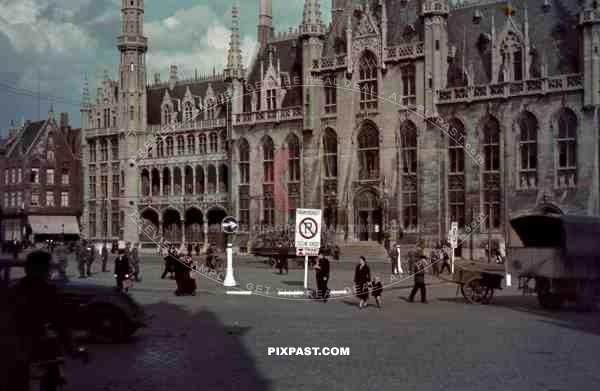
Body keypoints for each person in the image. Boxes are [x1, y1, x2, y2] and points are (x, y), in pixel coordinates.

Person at [6, 250, 84, 391]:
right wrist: (73, 349)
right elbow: (60, 323)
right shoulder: (49, 292)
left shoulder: (14, 290)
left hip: (17, 352)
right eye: (46, 268)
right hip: (38, 350)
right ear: (43, 270)